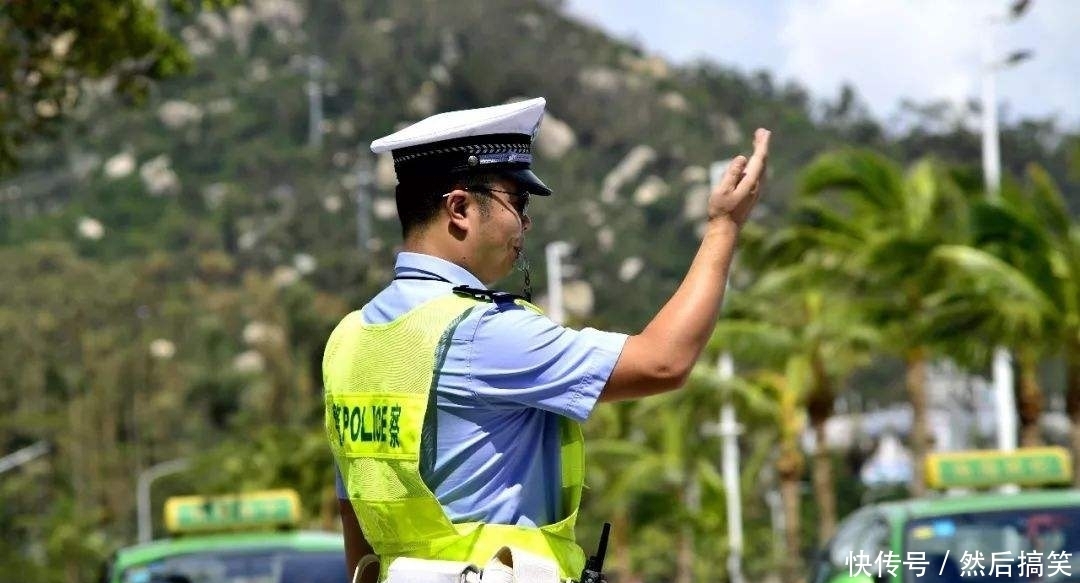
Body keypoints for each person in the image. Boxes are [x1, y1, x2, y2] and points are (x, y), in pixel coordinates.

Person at [323, 97, 770, 582]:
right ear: (460, 209)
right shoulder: (481, 332)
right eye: (517, 202)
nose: (526, 223)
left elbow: (357, 519)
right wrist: (724, 227)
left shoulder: (350, 340)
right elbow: (664, 361)